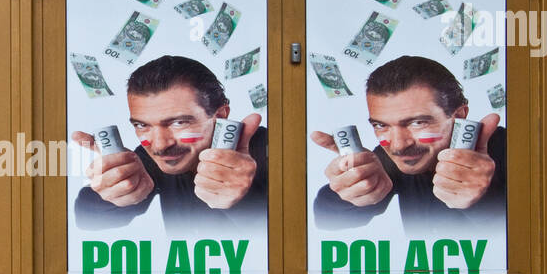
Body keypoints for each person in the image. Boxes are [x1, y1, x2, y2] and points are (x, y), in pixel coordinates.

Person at [310, 55, 506, 231]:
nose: (398, 145)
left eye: (417, 123)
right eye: (381, 125)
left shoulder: (513, 150)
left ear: (459, 117)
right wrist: (348, 192)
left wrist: (484, 200)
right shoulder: (390, 158)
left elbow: (528, 242)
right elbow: (324, 219)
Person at [72, 54, 266, 231]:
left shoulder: (272, 149)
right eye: (142, 125)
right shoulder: (150, 158)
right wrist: (112, 193)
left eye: (179, 122)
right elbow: (85, 219)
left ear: (220, 116)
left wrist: (244, 200)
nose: (159, 145)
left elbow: (290, 240)